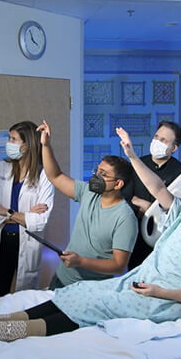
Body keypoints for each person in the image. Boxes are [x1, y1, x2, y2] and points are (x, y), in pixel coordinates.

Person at [0, 127, 181, 342]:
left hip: (165, 298)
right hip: (139, 282)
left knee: (95, 304)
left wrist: (161, 291)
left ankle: (6, 331)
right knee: (79, 292)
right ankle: (2, 319)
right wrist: (131, 153)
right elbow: (159, 189)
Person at [36, 120, 137, 289]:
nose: (96, 176)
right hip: (61, 279)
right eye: (97, 171)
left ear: (118, 184)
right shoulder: (89, 193)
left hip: (91, 289)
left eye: (103, 174)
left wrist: (81, 261)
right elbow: (55, 176)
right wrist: (46, 145)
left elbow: (119, 265)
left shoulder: (125, 218)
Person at [0, 121, 55, 298]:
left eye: (13, 139)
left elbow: (40, 221)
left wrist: (6, 212)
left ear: (26, 145)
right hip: (1, 240)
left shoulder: (44, 175)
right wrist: (25, 216)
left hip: (27, 241)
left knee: (25, 297)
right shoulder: (1, 168)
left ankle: (18, 326)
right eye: (9, 137)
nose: (8, 143)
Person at [124, 120, 181, 269]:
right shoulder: (137, 165)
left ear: (174, 148)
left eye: (164, 140)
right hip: (135, 234)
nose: (157, 141)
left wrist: (148, 206)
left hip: (161, 238)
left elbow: (176, 210)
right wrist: (140, 205)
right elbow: (125, 198)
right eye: (156, 137)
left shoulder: (180, 173)